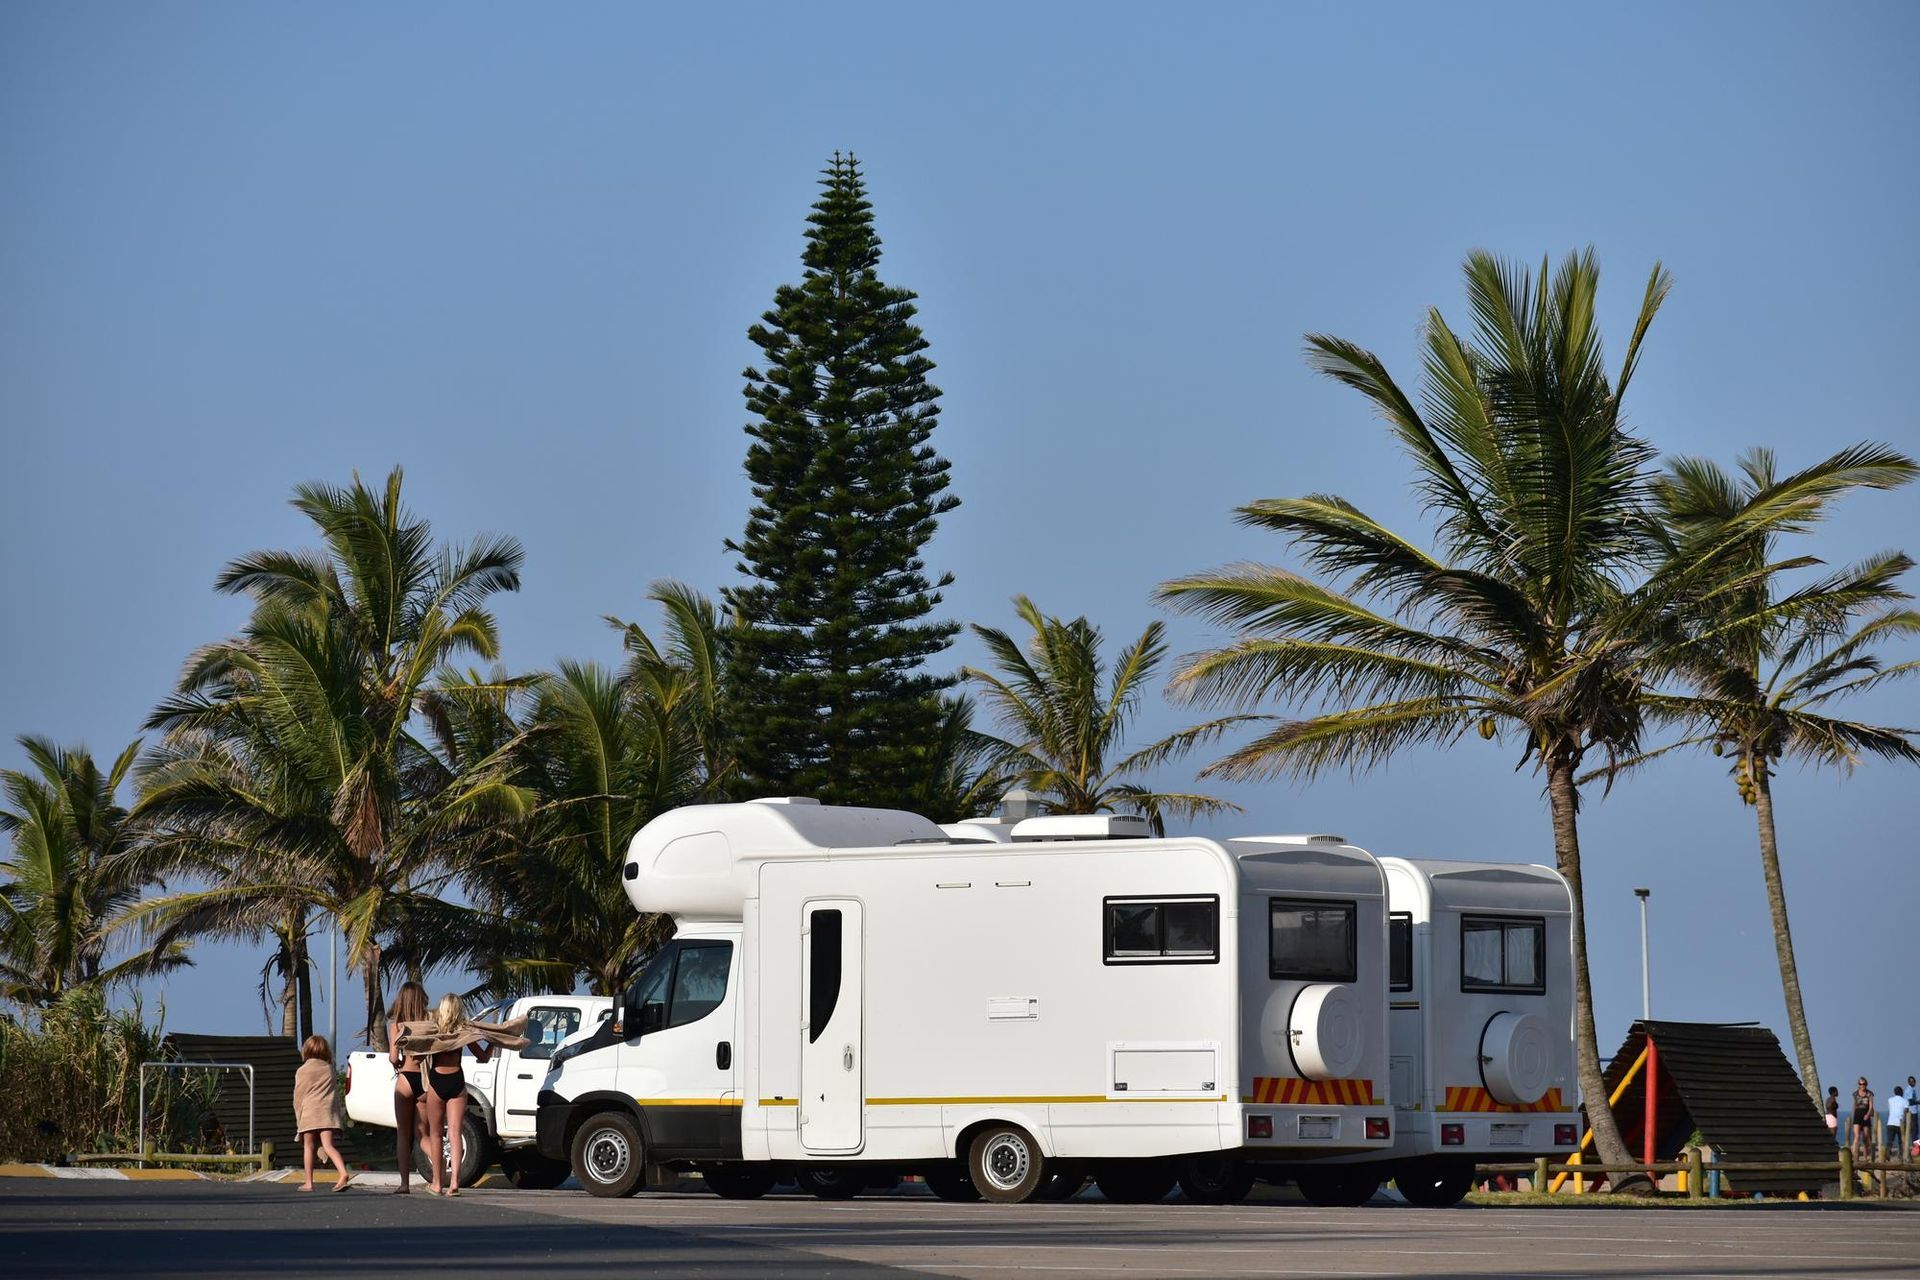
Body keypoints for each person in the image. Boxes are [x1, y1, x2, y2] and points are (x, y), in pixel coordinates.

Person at [420, 993, 496, 1198]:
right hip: (457, 1081)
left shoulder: (433, 1031)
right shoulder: (464, 1032)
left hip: (437, 1081)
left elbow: (416, 1051)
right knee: (454, 1133)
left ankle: (437, 1183)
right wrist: (492, 1041)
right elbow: (483, 1058)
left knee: (436, 1134)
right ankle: (454, 1183)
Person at [293, 1034, 353, 1193]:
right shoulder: (329, 1069)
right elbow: (334, 1095)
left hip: (309, 1113)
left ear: (306, 1051)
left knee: (308, 1147)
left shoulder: (302, 1070)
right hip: (326, 1113)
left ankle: (308, 1183)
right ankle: (343, 1172)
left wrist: (298, 1116)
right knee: (328, 1145)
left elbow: (298, 1095)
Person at [387, 980, 431, 1195]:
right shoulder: (429, 1021)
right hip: (424, 1081)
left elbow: (393, 1057)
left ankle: (404, 1184)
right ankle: (441, 1177)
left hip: (405, 1078)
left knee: (403, 1134)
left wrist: (398, 1062)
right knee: (424, 1134)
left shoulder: (397, 1025)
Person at [1850, 1077, 1875, 1159]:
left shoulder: (1869, 1094)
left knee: (1865, 1138)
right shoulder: (1855, 1094)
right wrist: (1852, 1116)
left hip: (1865, 1116)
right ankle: (1854, 1156)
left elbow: (1871, 1106)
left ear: (1866, 1084)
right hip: (1857, 1116)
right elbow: (1854, 1106)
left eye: (1864, 1084)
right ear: (1858, 1085)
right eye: (1860, 1084)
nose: (1862, 1085)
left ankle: (1865, 1157)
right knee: (1857, 1137)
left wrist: (1868, 1114)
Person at [1886, 1087, 1910, 1159]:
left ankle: (1887, 1154)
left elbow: (1890, 1109)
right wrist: (1905, 1121)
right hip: (1900, 1123)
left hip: (1891, 1122)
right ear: (1902, 1092)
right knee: (1901, 1141)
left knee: (1890, 1140)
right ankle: (1901, 1155)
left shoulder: (1890, 1100)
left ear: (1894, 1092)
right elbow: (1906, 1111)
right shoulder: (1905, 1101)